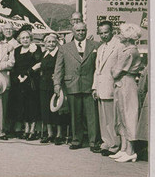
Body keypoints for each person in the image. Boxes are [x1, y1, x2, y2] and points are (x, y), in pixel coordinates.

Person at [53, 22, 101, 151]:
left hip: (90, 85)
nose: (80, 33)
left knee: (92, 116)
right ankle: (76, 140)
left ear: (86, 31)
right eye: (78, 31)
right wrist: (57, 83)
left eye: (83, 30)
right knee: (75, 115)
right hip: (72, 85)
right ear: (73, 32)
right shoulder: (64, 48)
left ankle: (93, 142)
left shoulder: (95, 45)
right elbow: (59, 67)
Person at [109, 23, 143, 163]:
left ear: (128, 36)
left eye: (121, 33)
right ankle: (123, 148)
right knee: (121, 115)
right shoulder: (126, 50)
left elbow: (115, 72)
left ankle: (131, 151)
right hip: (122, 84)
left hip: (127, 84)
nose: (119, 35)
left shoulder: (129, 52)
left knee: (128, 115)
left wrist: (114, 69)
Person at [91, 21, 124, 156]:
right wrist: (94, 88)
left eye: (106, 32)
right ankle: (106, 143)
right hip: (100, 87)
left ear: (112, 32)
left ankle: (115, 145)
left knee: (112, 119)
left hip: (112, 86)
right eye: (101, 33)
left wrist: (117, 84)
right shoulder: (100, 48)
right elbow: (97, 70)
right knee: (103, 118)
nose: (104, 35)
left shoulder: (119, 46)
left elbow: (121, 67)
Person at [9, 30, 42, 140]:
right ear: (19, 39)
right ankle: (26, 129)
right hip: (20, 81)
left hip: (31, 81)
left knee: (32, 106)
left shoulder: (35, 49)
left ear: (30, 38)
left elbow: (38, 64)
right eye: (23, 38)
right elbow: (15, 65)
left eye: (27, 37)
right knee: (22, 106)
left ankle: (32, 130)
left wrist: (27, 74)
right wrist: (18, 77)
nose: (25, 39)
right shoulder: (17, 50)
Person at [39, 33, 67, 144]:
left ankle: (59, 134)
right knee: (45, 109)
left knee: (57, 109)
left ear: (57, 43)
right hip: (43, 85)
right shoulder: (44, 54)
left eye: (53, 42)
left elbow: (62, 68)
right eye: (48, 42)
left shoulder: (59, 54)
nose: (51, 44)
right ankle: (50, 133)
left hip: (55, 84)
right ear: (45, 44)